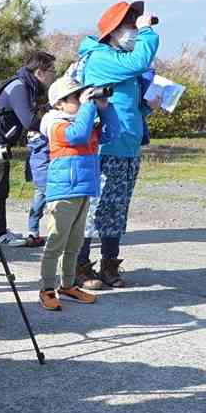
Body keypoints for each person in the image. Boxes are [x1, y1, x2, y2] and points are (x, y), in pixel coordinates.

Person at [73, 1, 160, 288]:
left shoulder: (120, 63)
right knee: (94, 209)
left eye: (137, 26)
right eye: (131, 26)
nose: (135, 32)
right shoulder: (101, 58)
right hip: (103, 148)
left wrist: (147, 106)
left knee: (117, 210)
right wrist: (148, 32)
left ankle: (110, 264)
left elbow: (125, 105)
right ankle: (81, 266)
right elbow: (139, 61)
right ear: (112, 31)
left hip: (127, 147)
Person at [37, 76, 119, 310]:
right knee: (55, 244)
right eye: (76, 97)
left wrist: (105, 107)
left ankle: (68, 284)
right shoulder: (56, 124)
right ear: (59, 103)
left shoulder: (82, 122)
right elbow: (78, 136)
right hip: (63, 193)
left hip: (83, 191)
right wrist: (89, 105)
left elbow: (113, 133)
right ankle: (47, 288)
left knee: (74, 245)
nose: (82, 100)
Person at [0, 51, 57, 246]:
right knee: (0, 187)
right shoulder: (19, 87)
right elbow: (28, 121)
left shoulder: (26, 86)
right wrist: (55, 123)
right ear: (40, 72)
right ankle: (0, 233)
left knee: (0, 187)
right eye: (52, 70)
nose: (54, 74)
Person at [23, 129, 49, 248]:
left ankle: (32, 233)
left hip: (37, 176)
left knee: (37, 205)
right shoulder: (46, 140)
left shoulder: (32, 141)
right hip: (48, 176)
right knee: (57, 206)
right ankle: (58, 235)